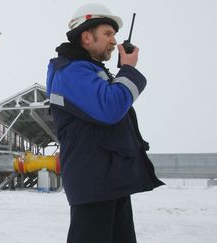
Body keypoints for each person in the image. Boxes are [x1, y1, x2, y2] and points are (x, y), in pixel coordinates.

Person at [46, 3, 164, 243]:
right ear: (87, 37)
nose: (114, 41)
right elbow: (110, 108)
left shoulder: (89, 71)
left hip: (109, 180)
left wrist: (122, 74)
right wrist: (128, 70)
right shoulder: (69, 71)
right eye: (108, 34)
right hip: (93, 183)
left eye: (115, 35)